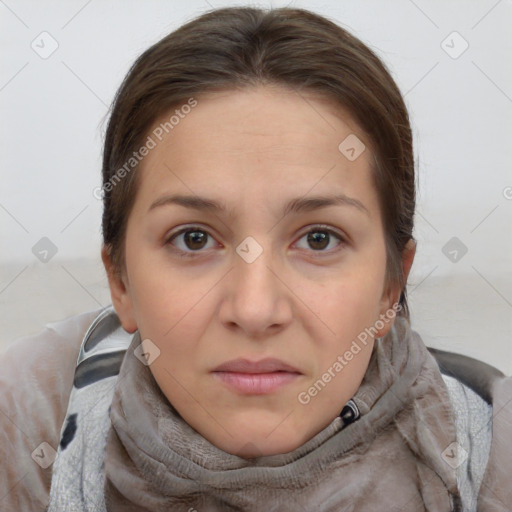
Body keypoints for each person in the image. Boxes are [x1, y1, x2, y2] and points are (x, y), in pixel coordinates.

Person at [1, 6, 510, 512]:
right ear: (121, 283)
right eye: (195, 239)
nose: (254, 309)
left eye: (318, 240)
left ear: (388, 289)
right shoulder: (26, 427)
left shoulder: (493, 455)